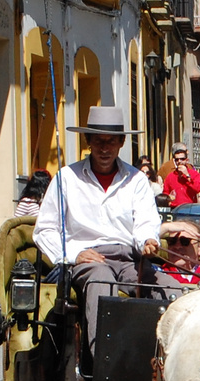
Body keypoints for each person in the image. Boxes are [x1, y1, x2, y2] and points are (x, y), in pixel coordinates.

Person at [33, 106, 162, 357]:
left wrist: (148, 240)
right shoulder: (67, 178)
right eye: (99, 142)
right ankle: (104, 359)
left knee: (170, 287)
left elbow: (146, 220)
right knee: (102, 281)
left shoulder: (136, 180)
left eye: (111, 142)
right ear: (88, 142)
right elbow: (45, 230)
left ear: (121, 143)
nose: (105, 149)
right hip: (88, 260)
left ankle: (164, 362)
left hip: (129, 260)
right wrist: (75, 254)